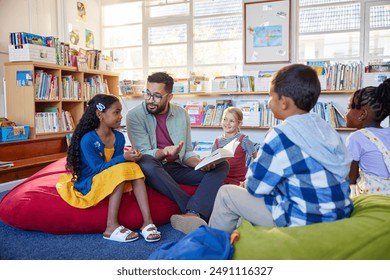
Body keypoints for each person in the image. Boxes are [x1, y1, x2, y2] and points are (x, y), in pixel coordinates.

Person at [208, 64, 354, 234]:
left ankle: (210, 244)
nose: (269, 102)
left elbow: (255, 187)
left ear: (283, 102)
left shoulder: (280, 135)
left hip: (303, 217)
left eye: (270, 96)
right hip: (339, 211)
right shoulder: (324, 127)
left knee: (226, 194)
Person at [126, 72, 229, 234]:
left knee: (222, 165)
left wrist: (201, 163)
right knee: (146, 162)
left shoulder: (181, 114)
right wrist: (165, 151)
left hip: (175, 168)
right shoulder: (134, 116)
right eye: (147, 94)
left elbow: (187, 152)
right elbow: (143, 152)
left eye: (157, 96)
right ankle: (192, 207)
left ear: (170, 96)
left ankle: (192, 214)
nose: (150, 100)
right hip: (152, 169)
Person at [56, 94, 161, 243]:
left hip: (109, 177)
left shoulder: (119, 137)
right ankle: (111, 226)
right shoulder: (88, 139)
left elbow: (118, 164)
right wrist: (124, 158)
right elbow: (98, 168)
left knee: (133, 167)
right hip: (91, 180)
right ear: (100, 114)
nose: (120, 117)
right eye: (116, 112)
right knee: (119, 171)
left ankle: (147, 221)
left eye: (120, 112)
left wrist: (130, 157)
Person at [345, 78, 390, 197]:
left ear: (362, 114)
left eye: (349, 107)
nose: (346, 112)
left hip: (372, 198)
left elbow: (350, 178)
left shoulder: (356, 137)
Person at [211, 106, 257, 185]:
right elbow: (212, 162)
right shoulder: (217, 141)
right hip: (222, 179)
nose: (227, 123)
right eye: (225, 119)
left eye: (232, 121)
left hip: (239, 180)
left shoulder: (243, 140)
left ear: (239, 123)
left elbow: (256, 157)